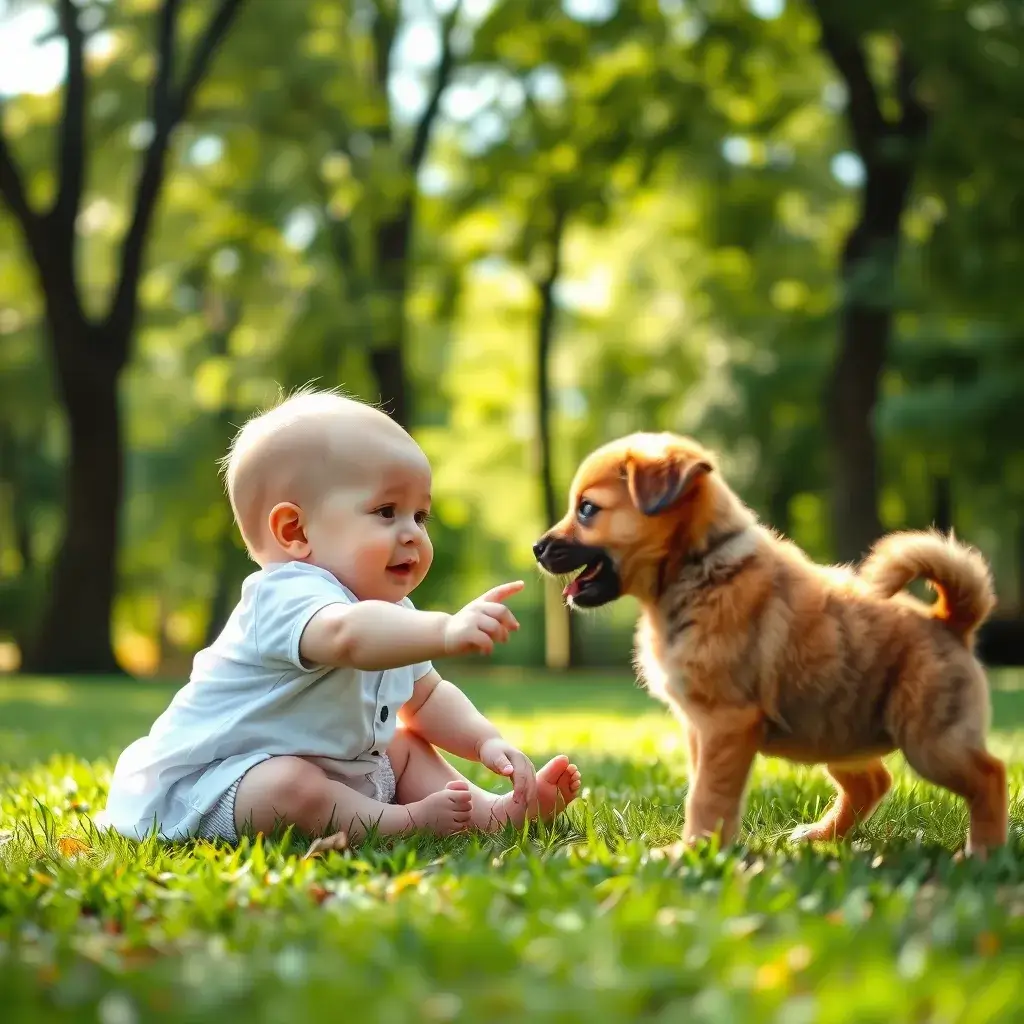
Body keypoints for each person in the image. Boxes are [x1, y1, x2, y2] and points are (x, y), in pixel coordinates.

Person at [102, 388, 581, 845]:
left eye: (421, 516)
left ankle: (496, 813)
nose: (412, 533)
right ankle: (405, 823)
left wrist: (485, 743)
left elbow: (428, 696)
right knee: (287, 785)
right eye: (387, 511)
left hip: (332, 765)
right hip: (219, 784)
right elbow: (347, 636)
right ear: (295, 531)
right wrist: (446, 628)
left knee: (404, 745)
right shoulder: (283, 595)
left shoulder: (394, 615)